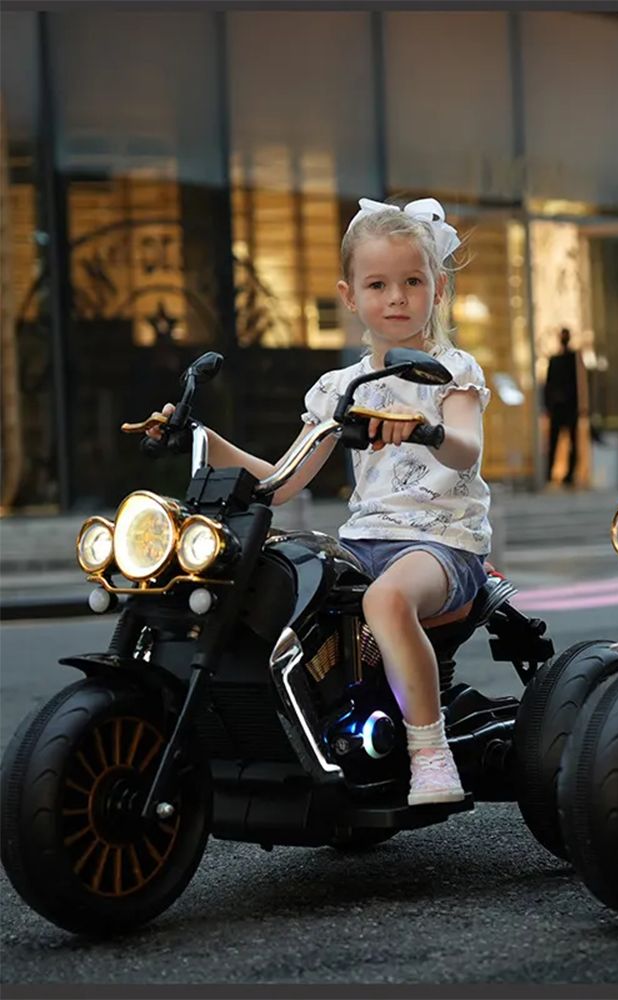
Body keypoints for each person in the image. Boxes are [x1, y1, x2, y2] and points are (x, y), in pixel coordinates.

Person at [148, 197, 492, 805]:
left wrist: (426, 428)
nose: (396, 297)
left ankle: (430, 750)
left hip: (443, 544)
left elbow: (466, 449)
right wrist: (198, 435)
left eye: (412, 282)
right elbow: (281, 482)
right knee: (279, 581)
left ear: (437, 289)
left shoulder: (450, 371)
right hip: (365, 542)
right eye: (378, 284)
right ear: (350, 295)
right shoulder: (339, 389)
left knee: (386, 599)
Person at [543, 327, 583, 485]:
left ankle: (570, 474)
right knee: (554, 442)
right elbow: (549, 385)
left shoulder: (573, 359)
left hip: (569, 407)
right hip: (558, 407)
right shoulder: (556, 360)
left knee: (571, 442)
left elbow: (579, 385)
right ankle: (550, 472)